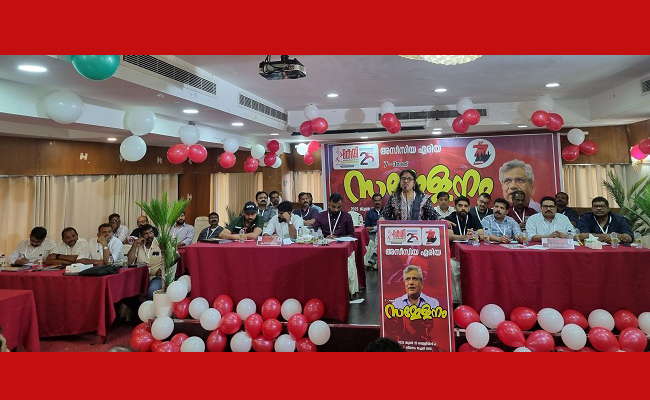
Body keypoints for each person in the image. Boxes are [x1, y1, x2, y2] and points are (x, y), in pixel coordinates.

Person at [380, 169, 446, 223]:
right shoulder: (394, 198)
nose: (406, 181)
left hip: (419, 231)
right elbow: (385, 214)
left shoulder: (422, 198)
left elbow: (432, 214)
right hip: (399, 232)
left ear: (414, 183)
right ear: (400, 182)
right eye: (403, 178)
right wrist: (382, 218)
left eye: (409, 179)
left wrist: (441, 219)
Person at [127, 224, 163, 300]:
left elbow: (173, 258)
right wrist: (134, 244)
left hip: (155, 277)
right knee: (127, 289)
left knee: (152, 290)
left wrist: (163, 269)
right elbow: (129, 262)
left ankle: (148, 305)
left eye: (151, 232)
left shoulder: (160, 243)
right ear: (141, 235)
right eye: (146, 234)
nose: (149, 235)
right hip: (140, 278)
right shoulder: (138, 245)